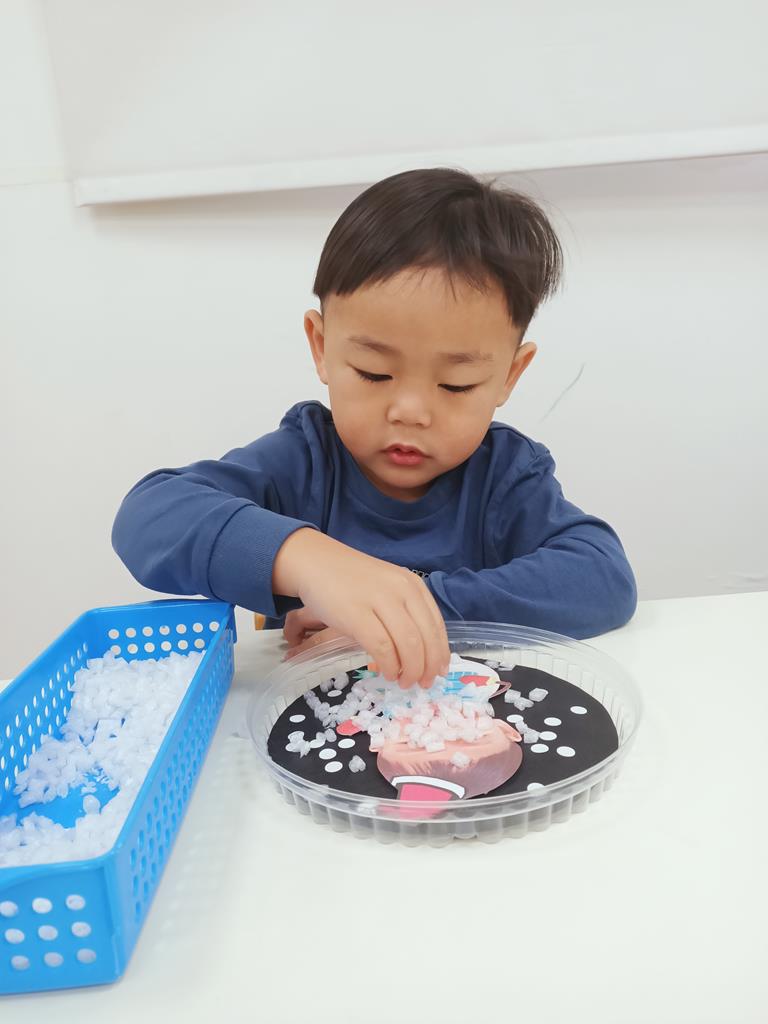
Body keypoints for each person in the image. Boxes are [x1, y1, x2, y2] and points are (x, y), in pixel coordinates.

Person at [112, 168, 637, 688]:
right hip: (301, 721)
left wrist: (421, 608)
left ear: (509, 376)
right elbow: (148, 516)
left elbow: (603, 577)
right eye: (374, 373)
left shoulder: (504, 477)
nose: (410, 411)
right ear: (321, 347)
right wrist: (307, 560)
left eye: (455, 384)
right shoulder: (302, 461)